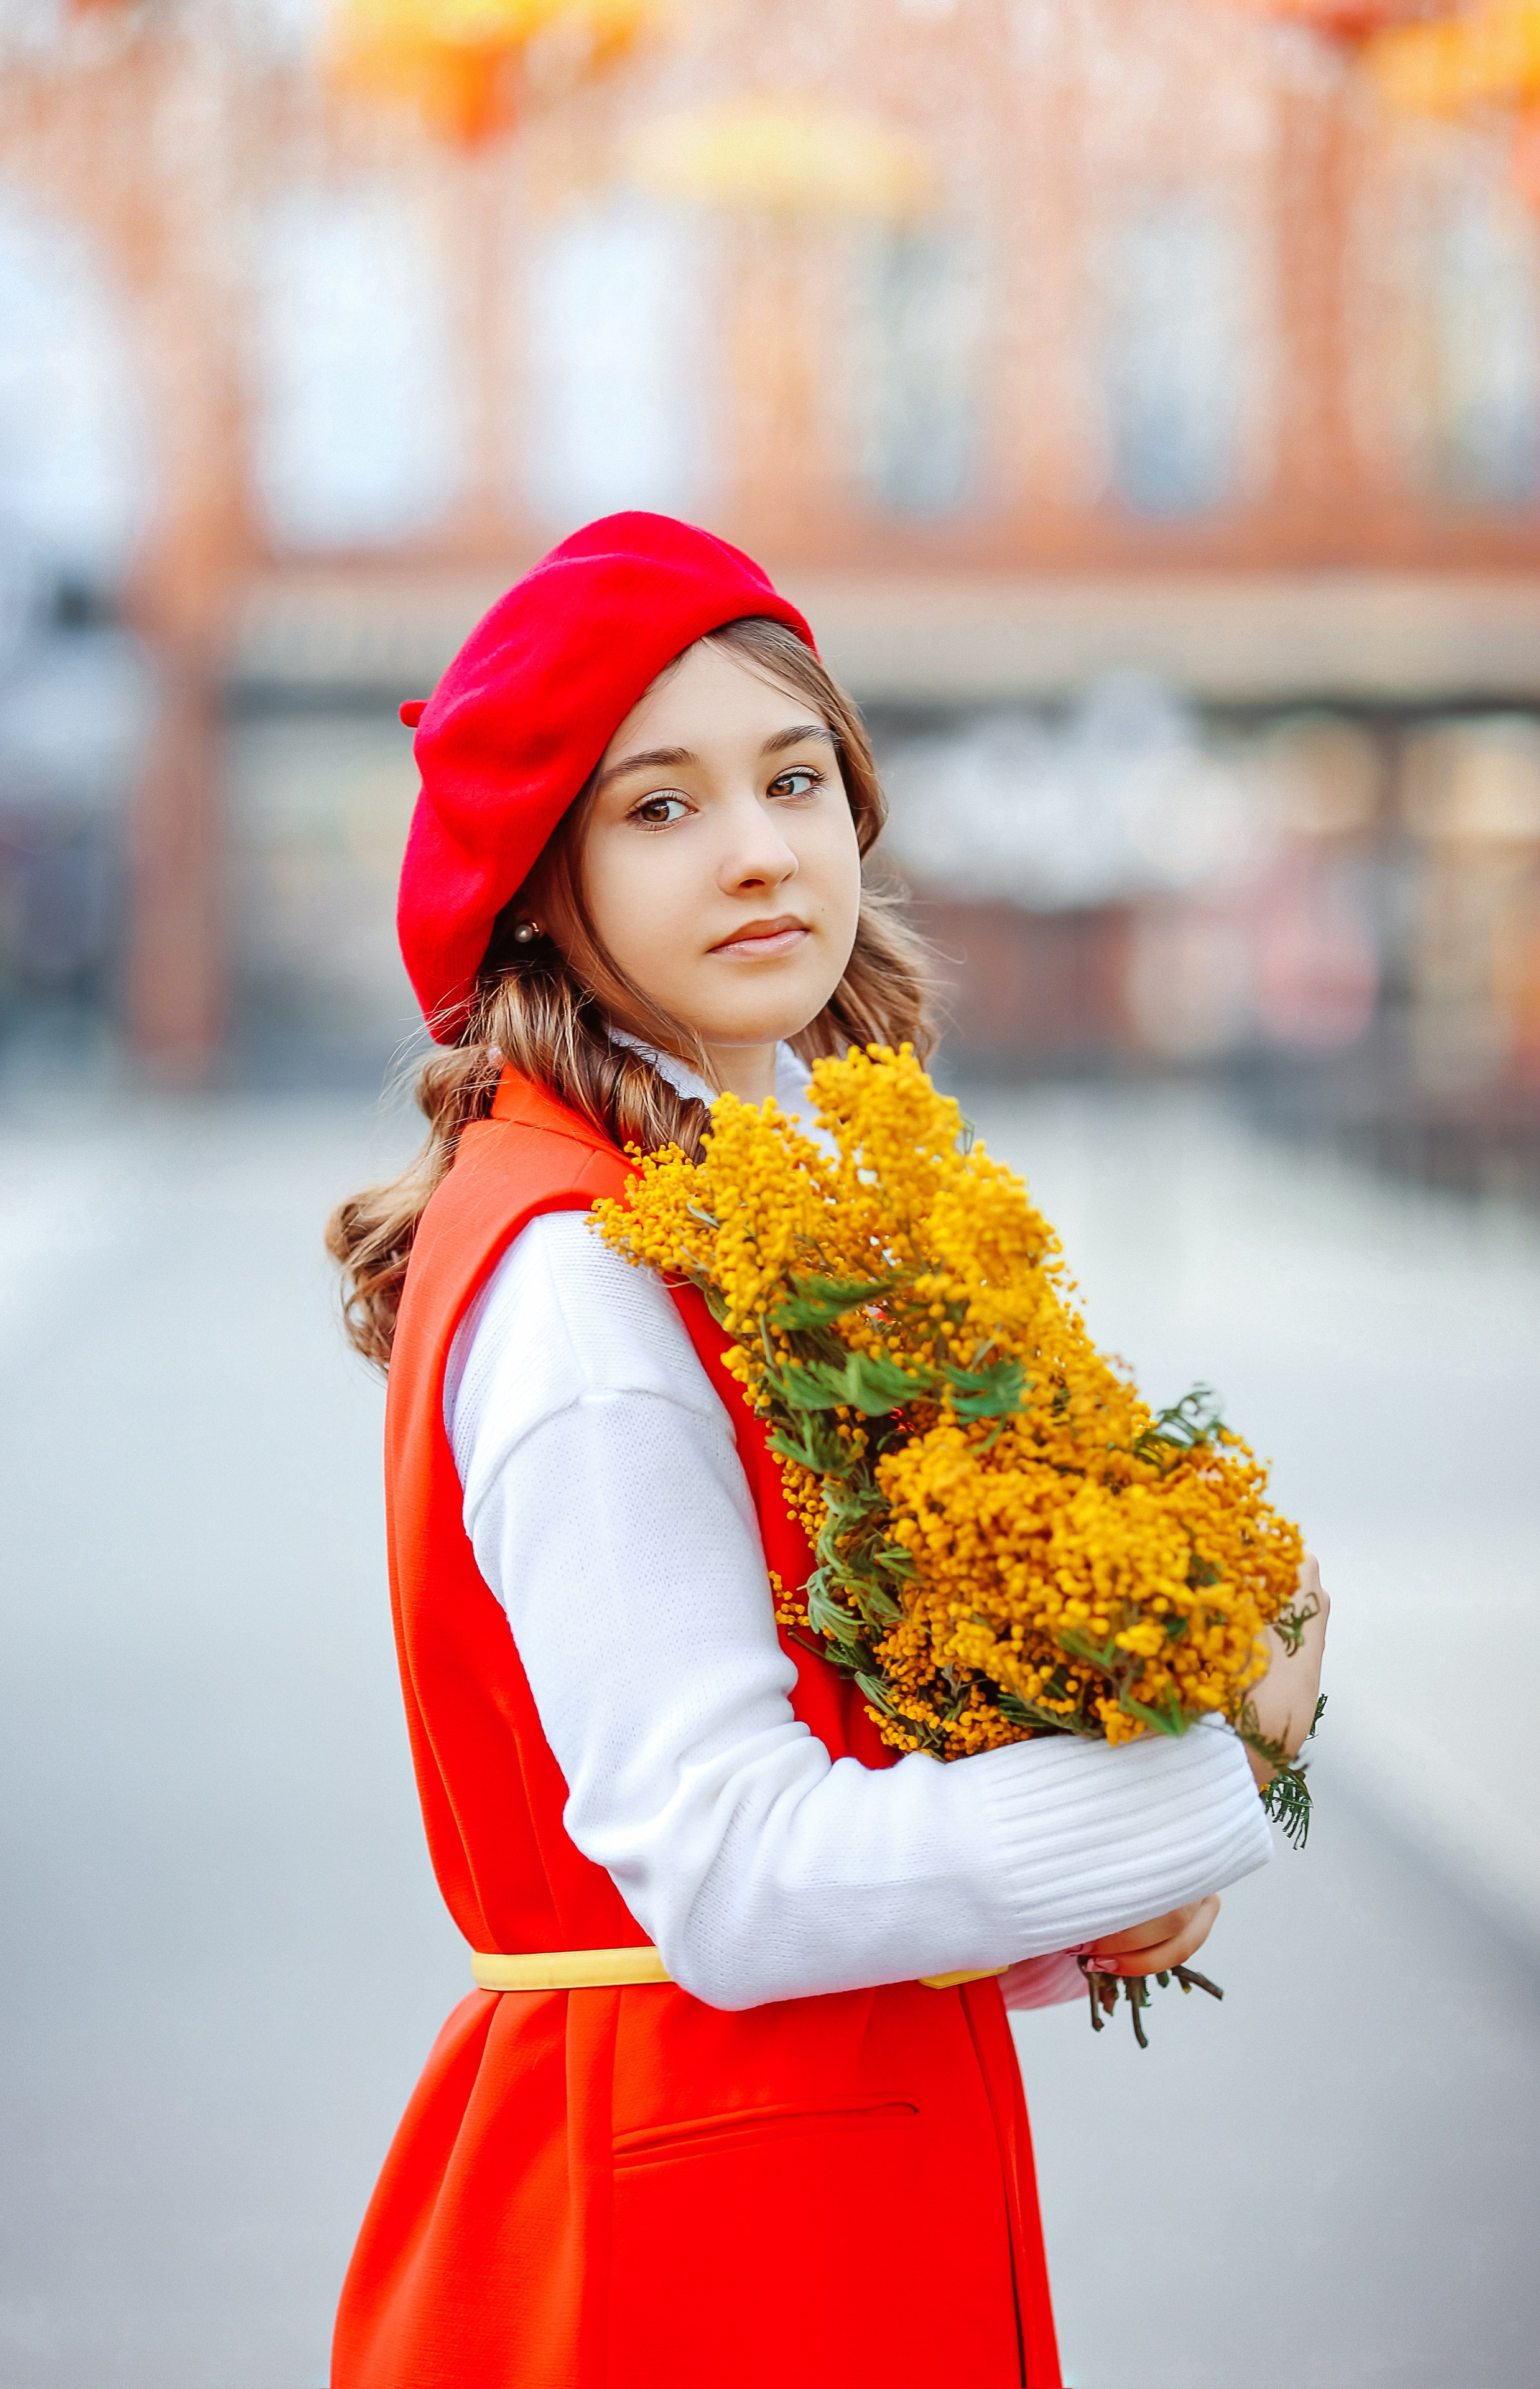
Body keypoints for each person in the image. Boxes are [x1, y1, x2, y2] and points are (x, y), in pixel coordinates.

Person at [325, 513, 1329, 2389]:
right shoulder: (584, 1275)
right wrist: (1220, 1757)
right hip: (704, 2231)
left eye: (796, 778)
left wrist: (1077, 1899)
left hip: (777, 2144)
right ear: (540, 882)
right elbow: (725, 1872)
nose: (764, 847)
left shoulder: (740, 1203)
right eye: (660, 808)